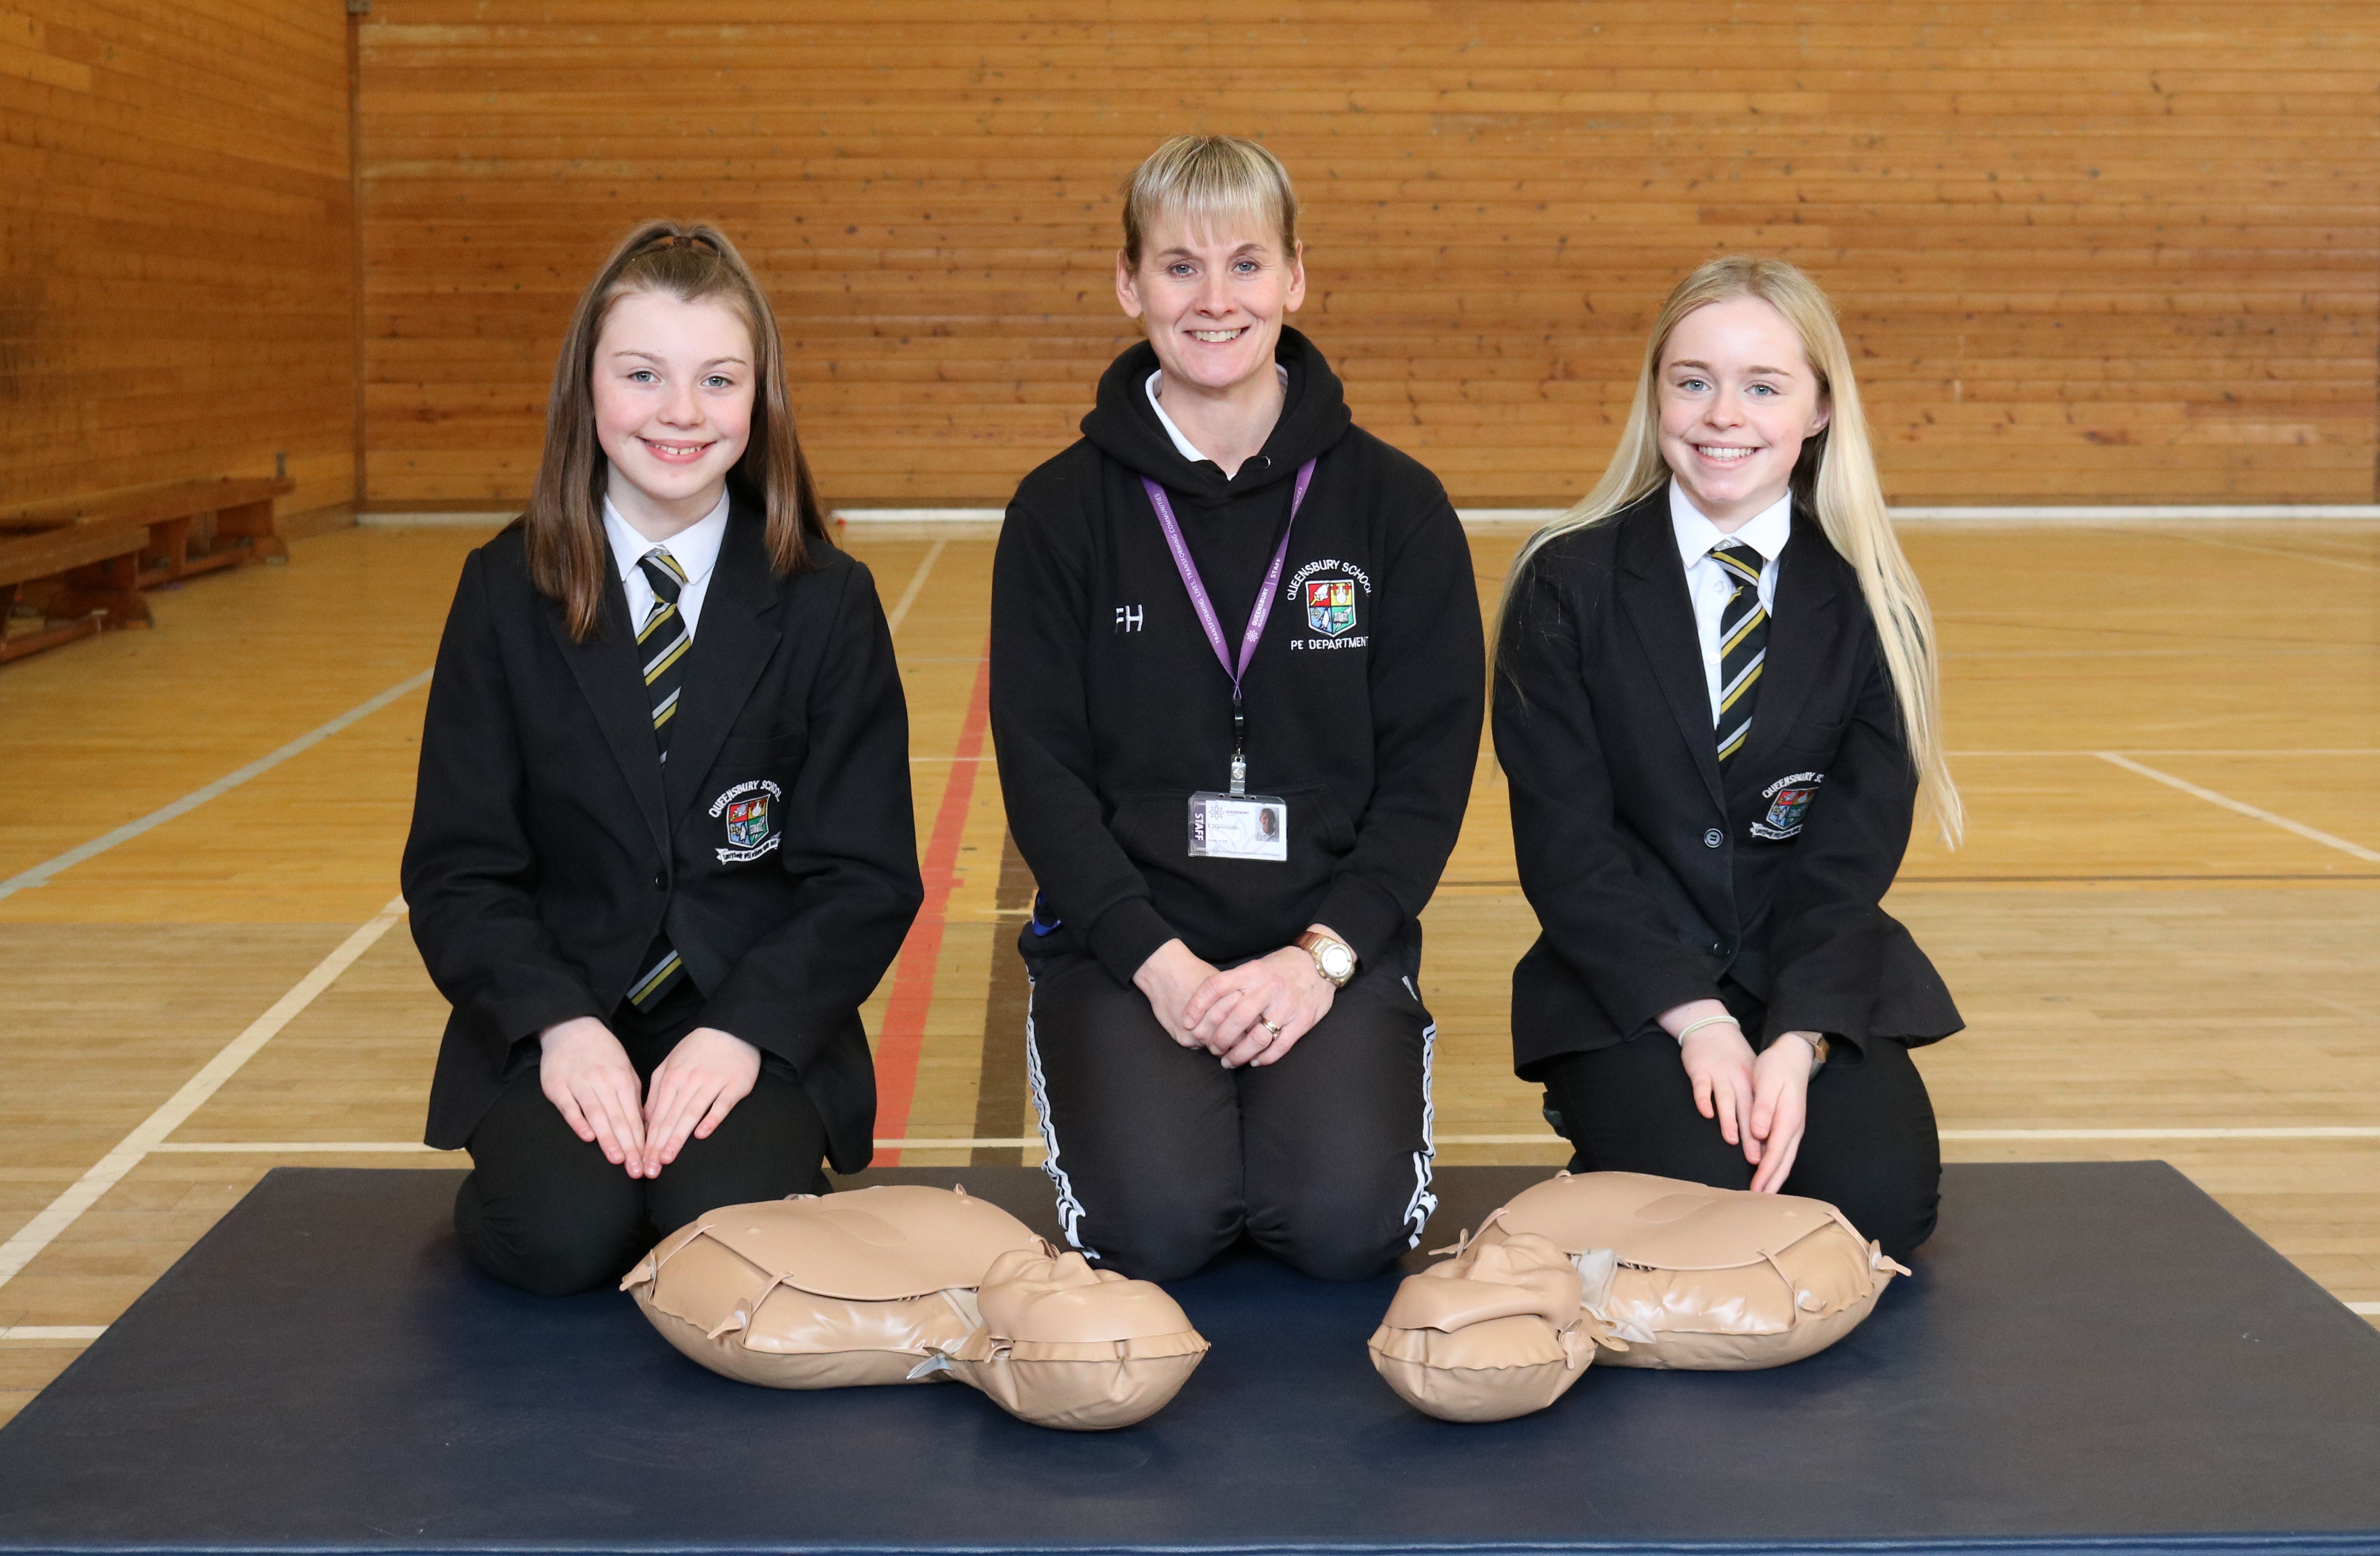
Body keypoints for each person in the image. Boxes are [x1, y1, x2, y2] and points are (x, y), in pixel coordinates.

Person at [991, 136, 1485, 1283]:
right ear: (1129, 284)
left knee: (1340, 1228)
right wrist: (1158, 963)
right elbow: (1043, 779)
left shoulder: (1395, 507)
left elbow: (1429, 774)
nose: (1215, 301)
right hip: (1128, 948)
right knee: (1157, 1230)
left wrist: (1317, 960)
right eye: (1178, 267)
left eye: (1247, 264)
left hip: (1321, 942)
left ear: (1296, 277)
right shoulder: (1059, 514)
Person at [403, 222, 921, 1296]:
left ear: (759, 399)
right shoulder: (504, 592)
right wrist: (558, 1023)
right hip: (563, 998)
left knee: (722, 1233)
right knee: (562, 1237)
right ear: (586, 391)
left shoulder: (828, 603)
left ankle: (746, 1152)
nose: (680, 413)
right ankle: (536, 1166)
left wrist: (743, 1032)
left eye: (717, 380)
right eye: (643, 375)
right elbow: (459, 868)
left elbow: (865, 878)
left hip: (750, 1006)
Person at [1493, 256, 1962, 1256]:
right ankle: (1607, 1120)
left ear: (1822, 407)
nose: (1721, 416)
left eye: (1763, 386)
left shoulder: (1878, 605)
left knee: (1879, 1211)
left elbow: (1850, 862)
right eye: (1692, 379)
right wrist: (1699, 1024)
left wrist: (1797, 1039)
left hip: (1801, 965)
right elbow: (1567, 848)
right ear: (1656, 392)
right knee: (1705, 1206)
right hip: (1633, 972)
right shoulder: (1565, 583)